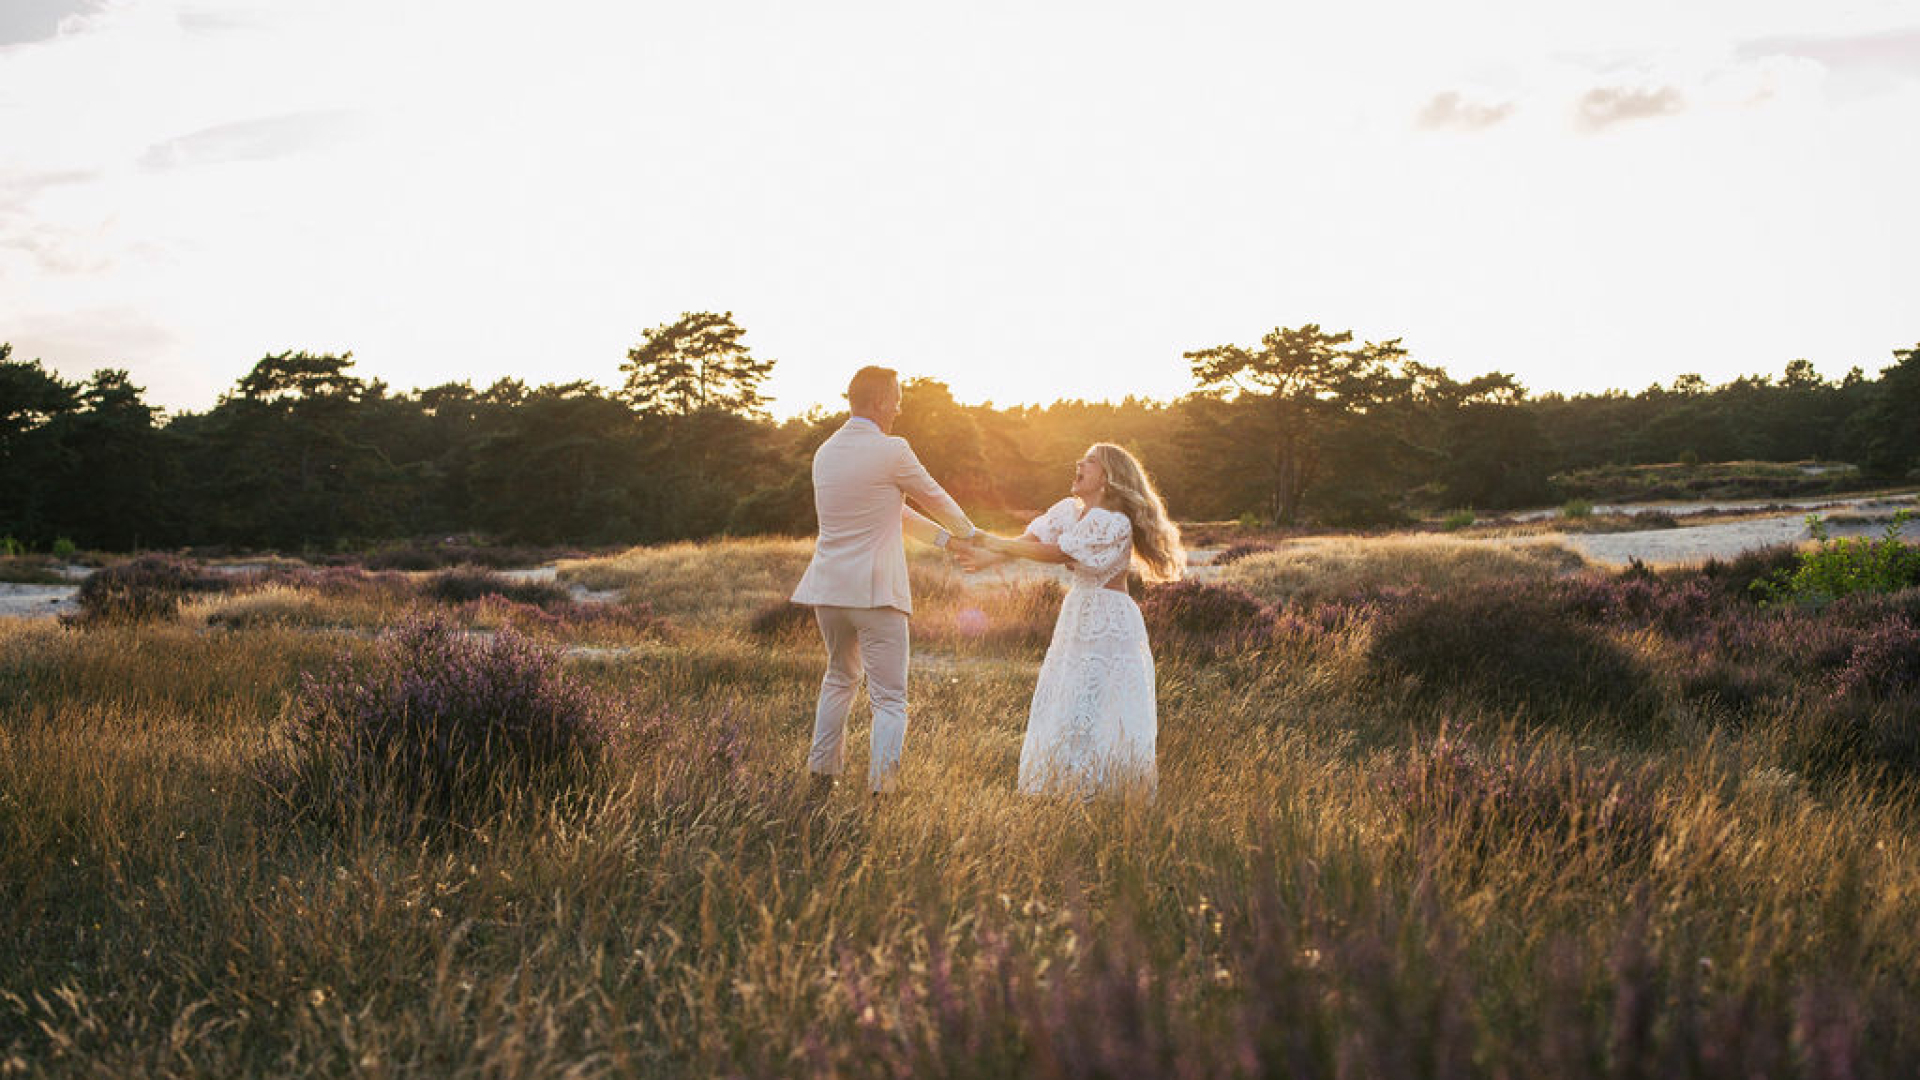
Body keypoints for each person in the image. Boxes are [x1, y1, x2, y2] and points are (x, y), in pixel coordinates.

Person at [790, 366, 977, 798]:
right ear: (877, 402)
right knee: (890, 698)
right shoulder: (893, 449)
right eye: (896, 397)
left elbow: (895, 512)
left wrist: (947, 542)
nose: (899, 406)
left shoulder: (825, 452)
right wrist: (975, 538)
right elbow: (936, 498)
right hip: (876, 593)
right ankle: (882, 791)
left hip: (830, 590)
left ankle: (820, 779)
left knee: (838, 678)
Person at [956, 443, 1182, 796]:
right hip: (1078, 612)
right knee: (1071, 693)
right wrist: (989, 556)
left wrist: (994, 542)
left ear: (1107, 477)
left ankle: (1109, 787)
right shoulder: (1068, 513)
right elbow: (1032, 540)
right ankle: (1066, 783)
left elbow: (1059, 551)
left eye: (1090, 461)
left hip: (1109, 618)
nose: (1079, 463)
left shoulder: (1113, 521)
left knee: (1105, 699)